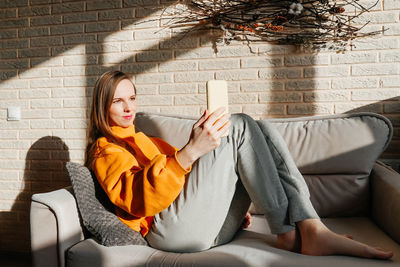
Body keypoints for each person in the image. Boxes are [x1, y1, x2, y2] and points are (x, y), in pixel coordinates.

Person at [85, 70, 393, 259]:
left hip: (201, 227)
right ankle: (288, 233)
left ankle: (311, 226)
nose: (129, 107)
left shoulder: (146, 139)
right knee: (240, 124)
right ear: (103, 106)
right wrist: (189, 152)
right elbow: (139, 200)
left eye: (132, 98)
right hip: (167, 235)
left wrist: (198, 156)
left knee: (263, 129)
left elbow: (187, 182)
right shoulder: (105, 149)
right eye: (118, 101)